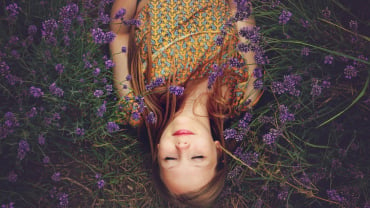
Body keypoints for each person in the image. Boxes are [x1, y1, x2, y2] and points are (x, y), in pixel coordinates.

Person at [109, 0, 262, 206]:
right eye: (197, 157)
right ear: (217, 150)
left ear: (157, 151)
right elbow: (241, 12)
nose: (182, 147)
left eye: (170, 160)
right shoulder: (243, 93)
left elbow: (119, 35)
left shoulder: (138, 106)